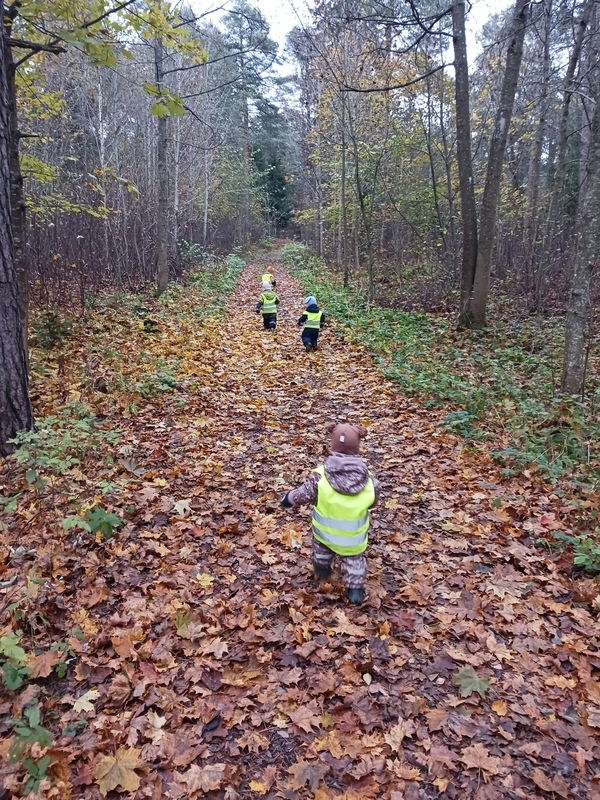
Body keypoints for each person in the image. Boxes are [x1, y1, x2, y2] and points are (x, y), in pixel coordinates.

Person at [281, 423, 380, 604]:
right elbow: (373, 501)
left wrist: (288, 499)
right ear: (357, 447)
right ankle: (354, 590)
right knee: (354, 560)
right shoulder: (369, 481)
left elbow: (304, 493)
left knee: (322, 553)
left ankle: (322, 571)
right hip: (353, 539)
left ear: (333, 445)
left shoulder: (321, 477)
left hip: (325, 535)